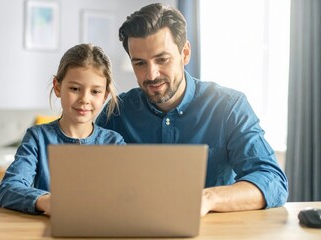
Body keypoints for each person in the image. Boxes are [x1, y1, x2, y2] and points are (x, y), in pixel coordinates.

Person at [96, 3, 288, 216]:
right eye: (140, 63)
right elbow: (86, 176)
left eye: (162, 59)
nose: (151, 74)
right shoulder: (117, 112)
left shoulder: (229, 107)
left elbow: (273, 181)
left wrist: (207, 198)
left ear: (185, 53)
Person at [0, 43, 125, 215]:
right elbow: (8, 189)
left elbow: (128, 195)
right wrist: (46, 202)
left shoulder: (114, 143)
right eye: (74, 89)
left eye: (95, 91)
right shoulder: (37, 137)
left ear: (105, 96)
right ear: (57, 87)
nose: (84, 99)